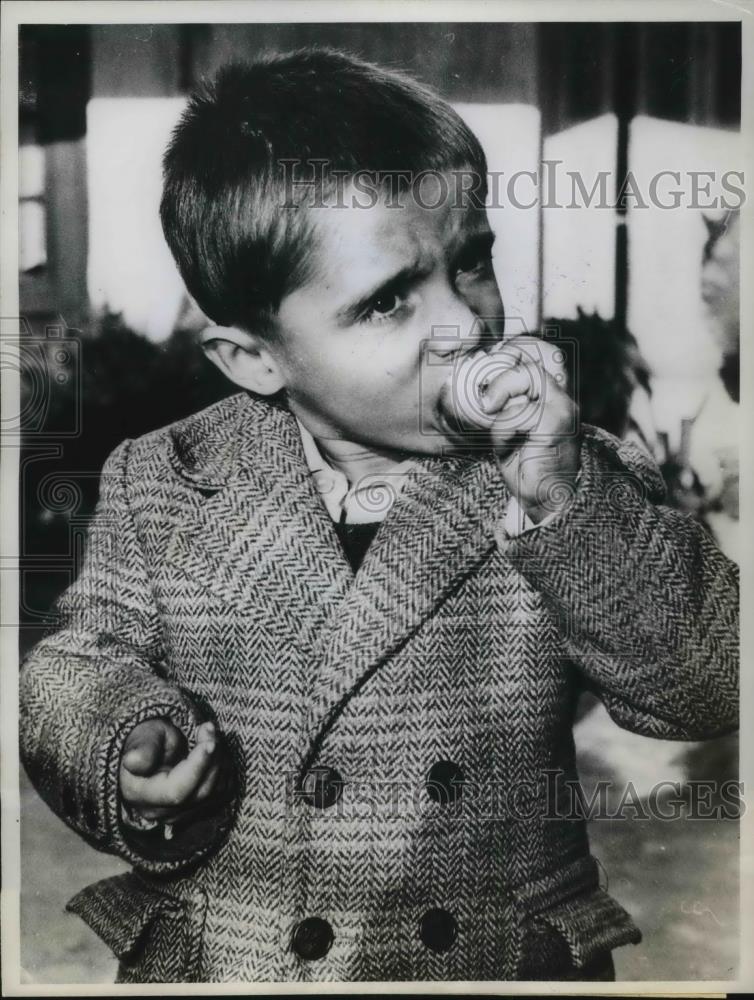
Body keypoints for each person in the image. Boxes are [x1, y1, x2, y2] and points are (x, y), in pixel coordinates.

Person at [19, 49, 739, 984]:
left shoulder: (564, 474)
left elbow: (709, 684)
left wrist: (562, 501)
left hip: (488, 959)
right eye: (390, 299)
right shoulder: (165, 481)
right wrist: (120, 735)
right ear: (255, 360)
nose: (465, 326)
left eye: (471, 262)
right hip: (240, 963)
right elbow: (76, 663)